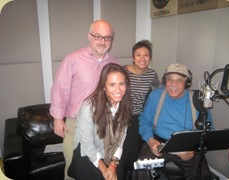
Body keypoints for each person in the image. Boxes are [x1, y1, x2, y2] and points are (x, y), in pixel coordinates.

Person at [50, 20, 118, 180]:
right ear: (89, 36)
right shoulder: (73, 59)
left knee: (99, 167)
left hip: (103, 124)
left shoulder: (114, 62)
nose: (103, 41)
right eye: (98, 36)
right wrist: (58, 118)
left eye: (107, 38)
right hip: (76, 124)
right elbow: (60, 88)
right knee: (73, 168)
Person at [138, 63, 212, 180]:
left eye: (179, 81)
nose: (173, 84)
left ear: (187, 83)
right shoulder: (155, 96)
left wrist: (194, 148)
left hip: (187, 147)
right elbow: (144, 120)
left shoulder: (197, 100)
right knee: (143, 170)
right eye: (170, 79)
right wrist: (150, 140)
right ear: (164, 81)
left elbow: (208, 129)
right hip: (159, 144)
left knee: (202, 175)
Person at [68, 63, 132, 180]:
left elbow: (121, 139)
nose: (118, 90)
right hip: (89, 154)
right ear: (103, 86)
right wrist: (104, 170)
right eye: (112, 85)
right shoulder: (89, 107)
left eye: (121, 84)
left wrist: (112, 165)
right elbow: (87, 144)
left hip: (111, 153)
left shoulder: (125, 104)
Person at [121, 40, 160, 179]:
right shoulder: (123, 71)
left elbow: (159, 90)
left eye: (146, 55)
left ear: (150, 58)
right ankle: (125, 172)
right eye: (138, 55)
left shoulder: (152, 74)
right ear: (133, 57)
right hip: (121, 116)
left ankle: (132, 173)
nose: (142, 59)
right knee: (125, 150)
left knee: (137, 149)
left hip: (139, 116)